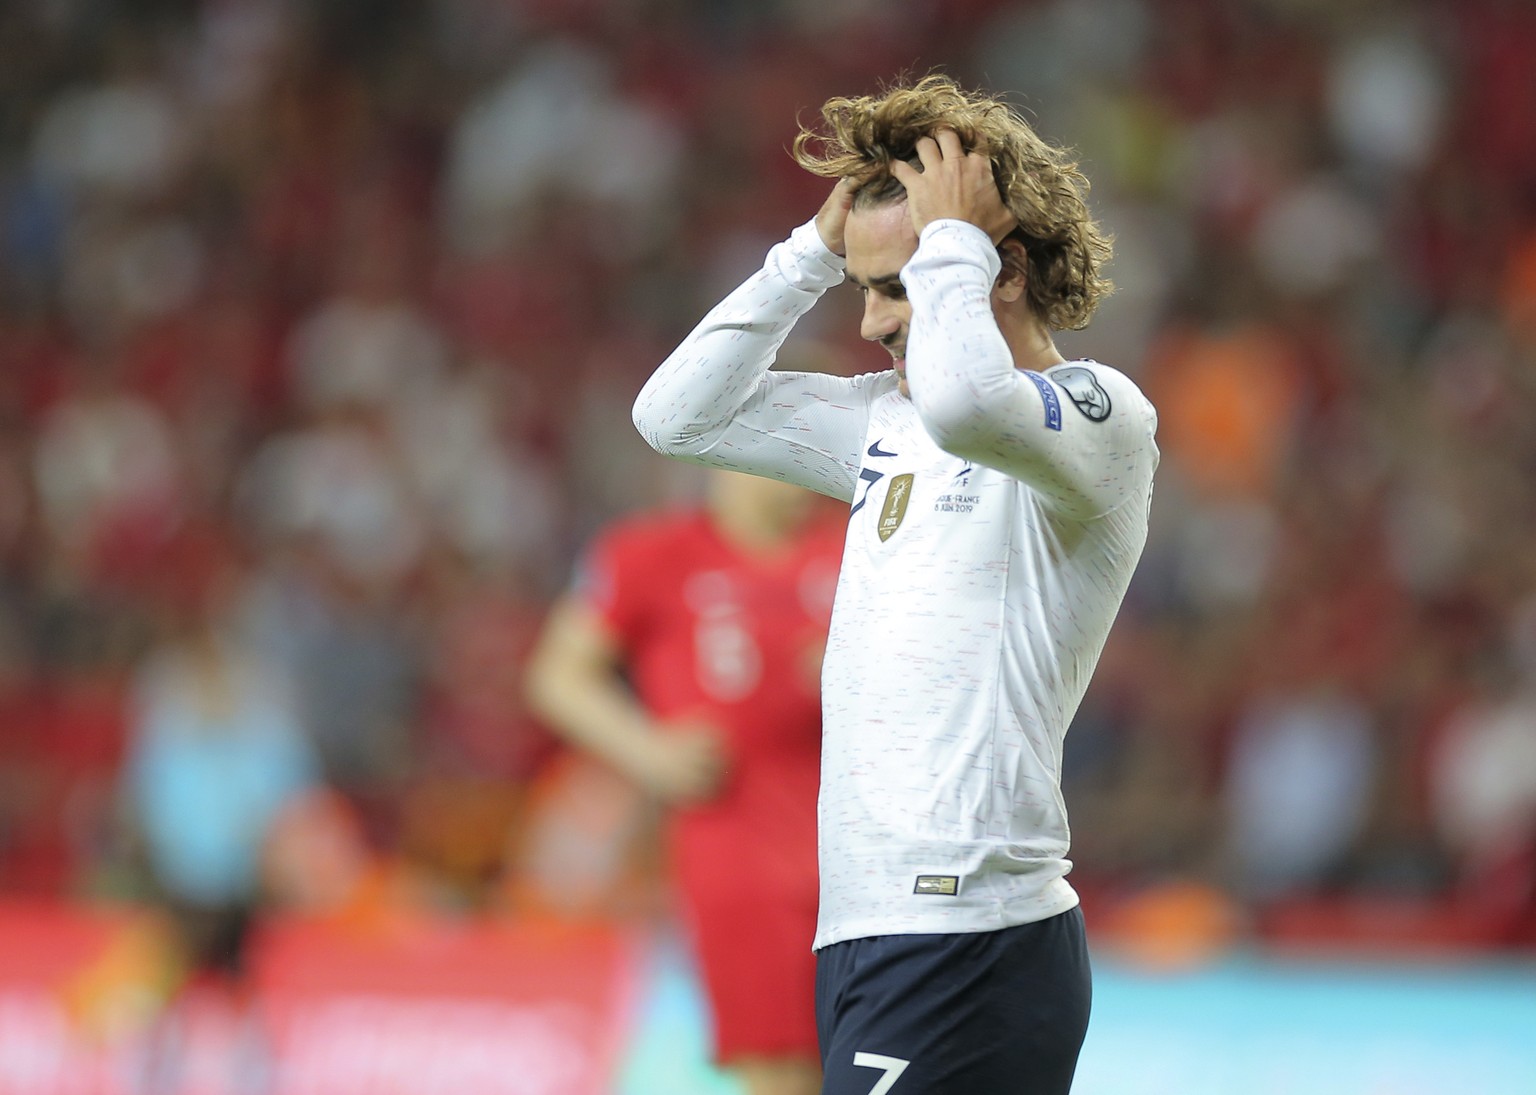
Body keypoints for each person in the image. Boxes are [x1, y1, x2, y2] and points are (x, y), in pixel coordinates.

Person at [631, 74, 1159, 1094]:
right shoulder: (886, 421)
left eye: (895, 284)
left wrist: (951, 247)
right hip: (866, 929)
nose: (870, 321)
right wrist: (808, 257)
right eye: (863, 285)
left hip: (971, 929)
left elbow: (972, 404)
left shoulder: (1099, 415)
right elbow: (674, 418)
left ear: (995, 269)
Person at [524, 468, 844, 1095]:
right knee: (781, 1073)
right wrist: (648, 751)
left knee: (879, 1064)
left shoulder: (856, 548)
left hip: (867, 855)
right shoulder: (651, 554)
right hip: (742, 854)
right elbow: (557, 676)